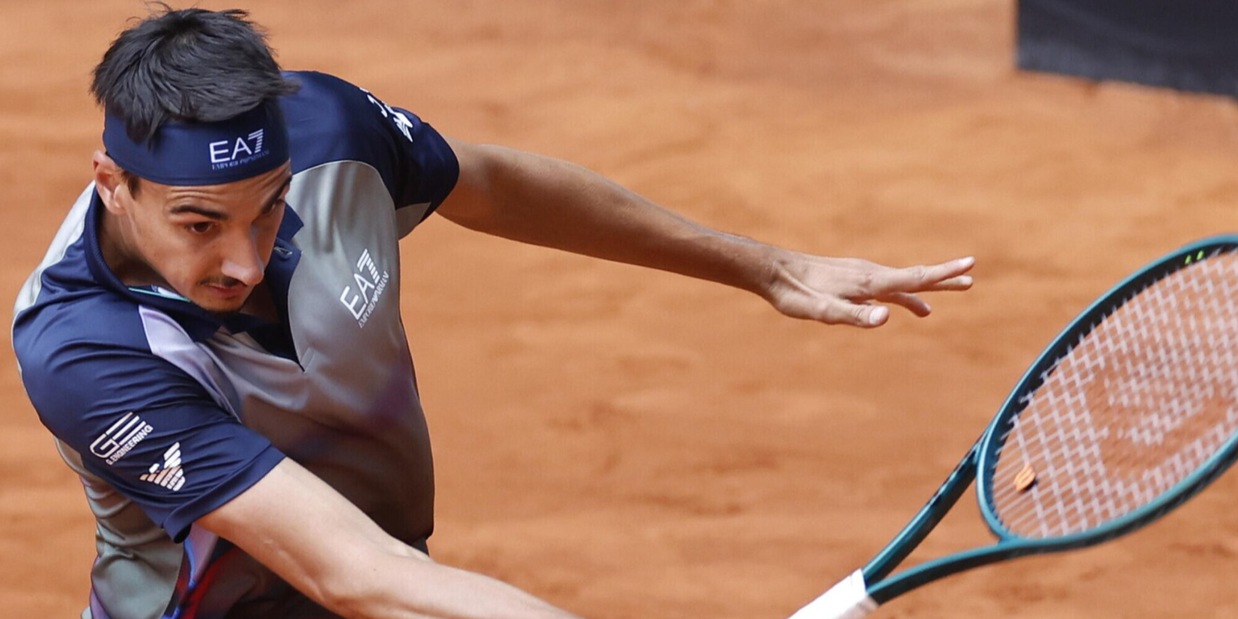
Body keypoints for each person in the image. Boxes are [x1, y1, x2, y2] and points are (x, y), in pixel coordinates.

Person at [12, 6, 975, 619]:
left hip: (405, 582)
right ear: (112, 184)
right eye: (198, 222)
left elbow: (494, 183)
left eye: (268, 207)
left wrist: (764, 265)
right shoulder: (85, 350)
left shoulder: (332, 134)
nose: (243, 256)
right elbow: (356, 575)